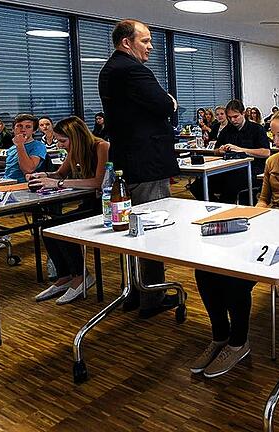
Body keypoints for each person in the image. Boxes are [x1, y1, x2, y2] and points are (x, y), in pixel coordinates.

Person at [189, 107, 279, 378]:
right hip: (267, 231)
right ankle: (220, 335)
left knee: (235, 279)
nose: (275, 141)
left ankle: (239, 343)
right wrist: (258, 215)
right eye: (274, 135)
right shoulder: (272, 162)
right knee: (205, 269)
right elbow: (263, 200)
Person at [99, 19, 180, 318]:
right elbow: (163, 105)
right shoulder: (132, 70)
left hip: (127, 161)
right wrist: (170, 101)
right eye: (145, 41)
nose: (150, 46)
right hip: (147, 163)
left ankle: (133, 290)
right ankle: (152, 297)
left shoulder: (109, 71)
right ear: (126, 43)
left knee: (131, 229)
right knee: (151, 229)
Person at [27, 116, 109, 304]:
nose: (60, 145)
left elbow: (97, 182)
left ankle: (81, 276)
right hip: (89, 203)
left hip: (104, 206)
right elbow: (60, 173)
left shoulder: (101, 146)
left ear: (76, 137)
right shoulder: (75, 149)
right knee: (47, 227)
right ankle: (64, 276)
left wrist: (57, 183)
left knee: (62, 226)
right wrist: (45, 175)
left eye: (63, 141)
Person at [189, 99, 270, 203]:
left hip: (251, 169)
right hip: (228, 169)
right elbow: (216, 150)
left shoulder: (256, 129)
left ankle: (226, 204)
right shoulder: (227, 130)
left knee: (230, 186)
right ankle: (216, 206)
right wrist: (220, 150)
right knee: (198, 185)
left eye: (235, 117)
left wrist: (240, 150)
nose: (233, 120)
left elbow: (265, 152)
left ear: (243, 113)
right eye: (230, 117)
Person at [3, 114, 46, 182]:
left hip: (22, 183)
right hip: (6, 180)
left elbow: (28, 169)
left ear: (34, 131)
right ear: (13, 129)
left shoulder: (38, 146)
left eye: (28, 127)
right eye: (19, 126)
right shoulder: (12, 148)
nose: (23, 129)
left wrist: (20, 145)